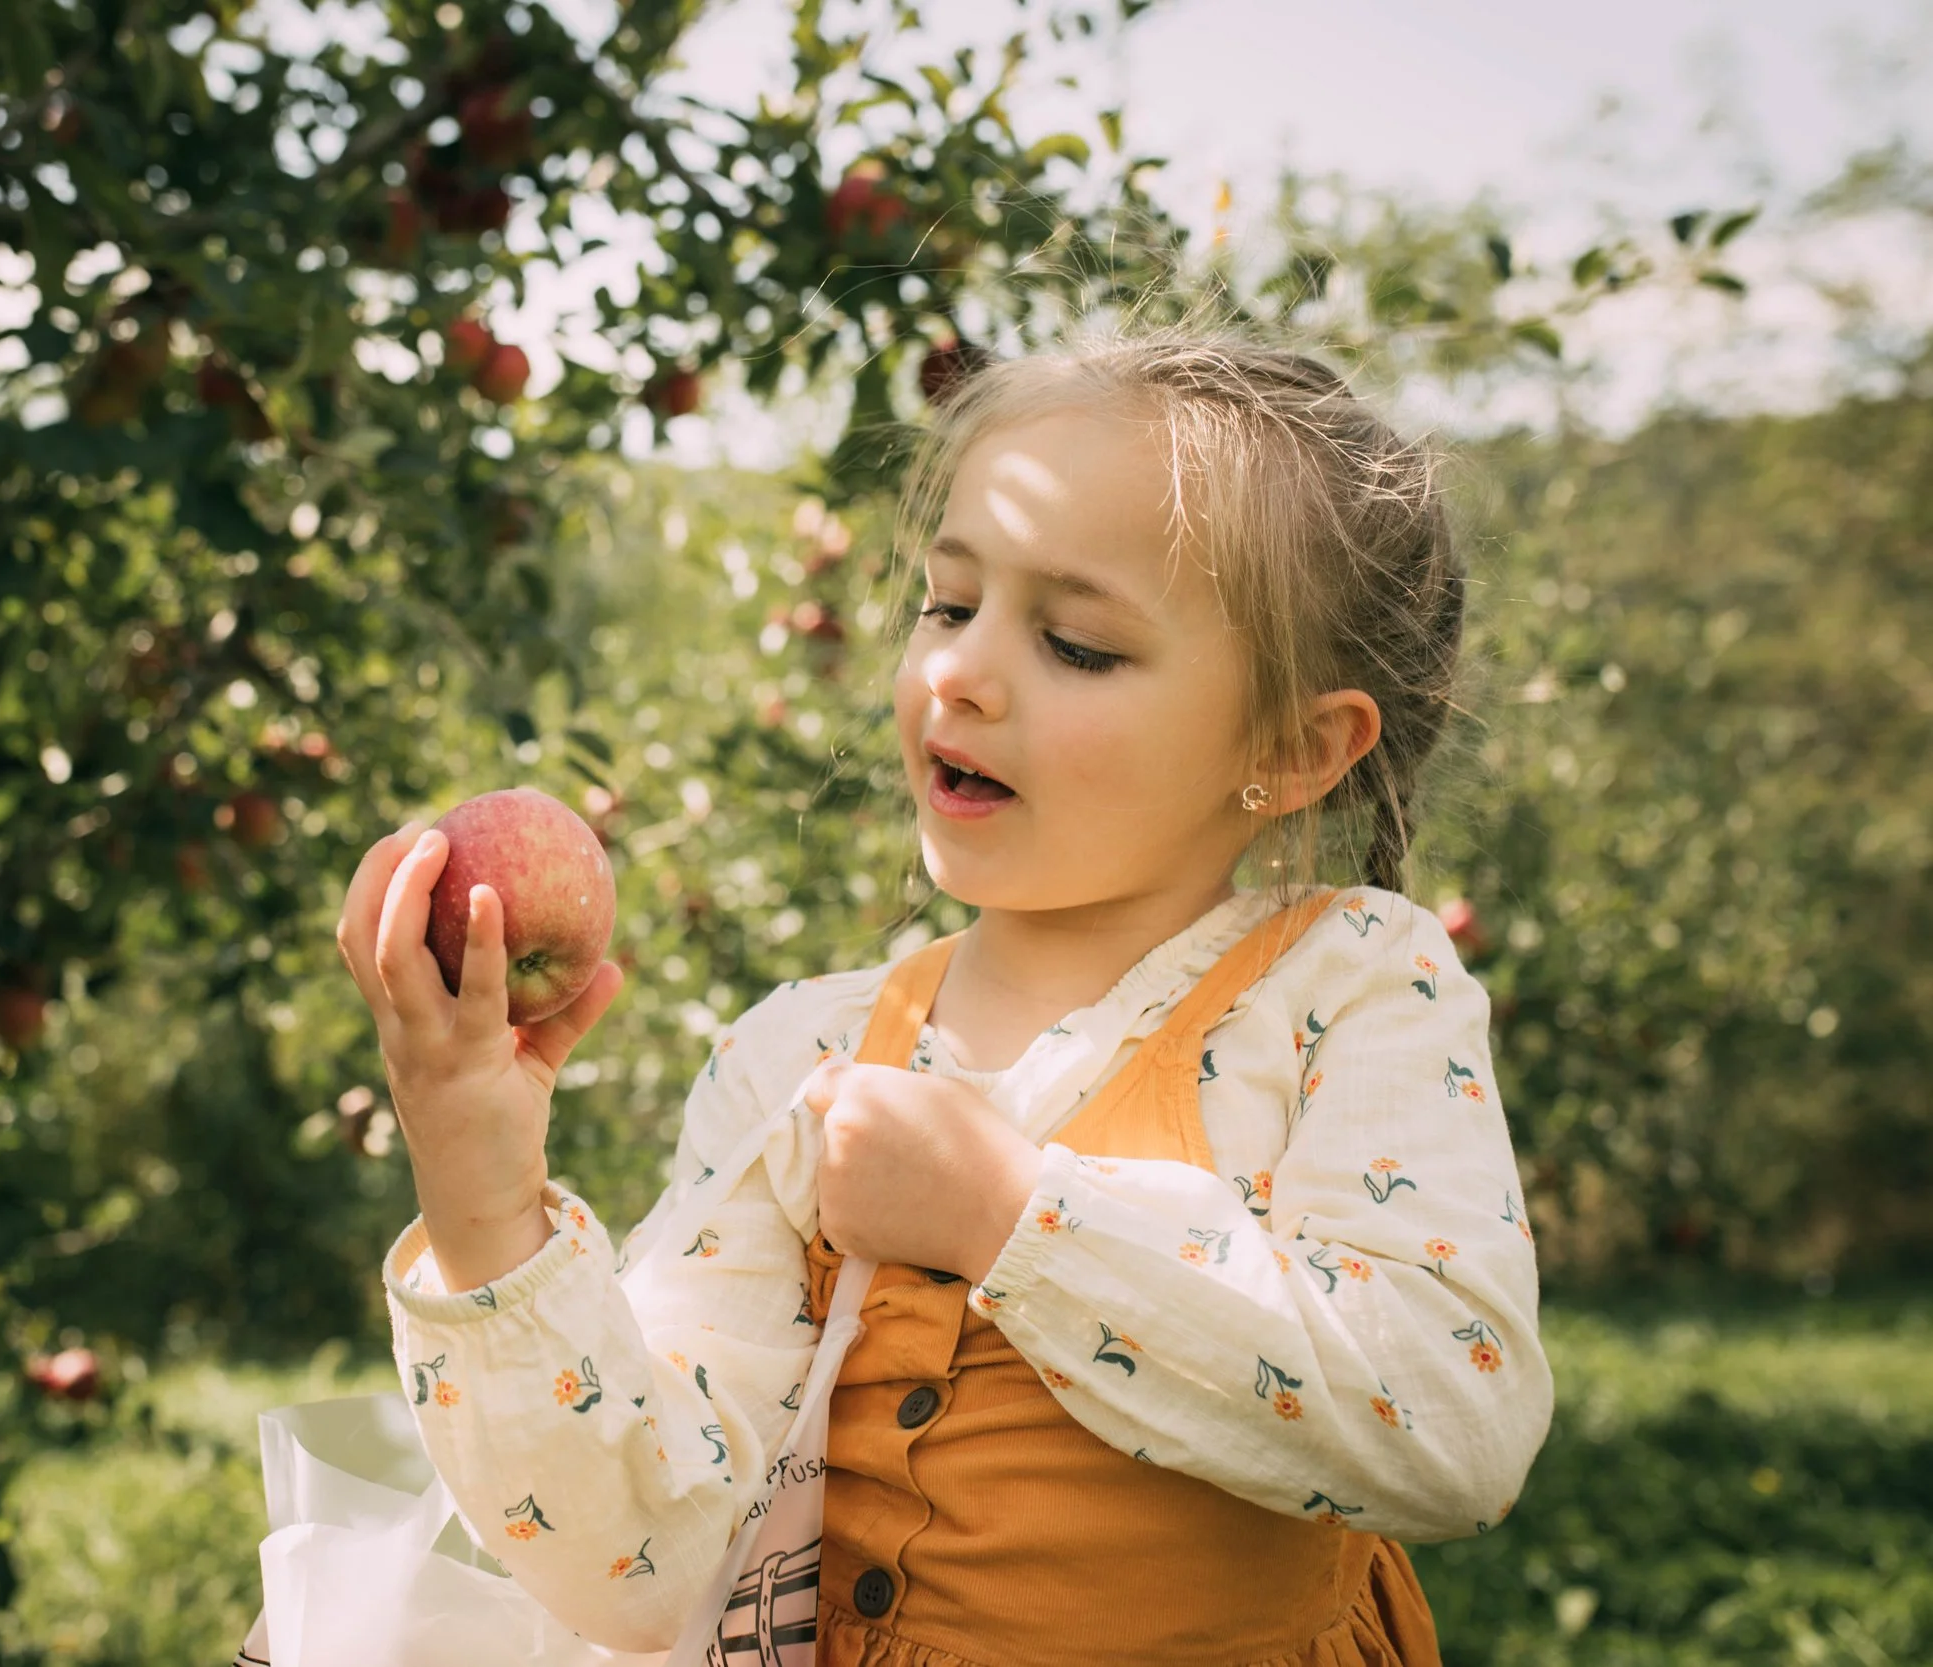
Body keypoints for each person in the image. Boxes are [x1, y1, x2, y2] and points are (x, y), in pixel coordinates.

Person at [334, 330, 1553, 1666]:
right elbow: (638, 1565)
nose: (959, 674)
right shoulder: (802, 1053)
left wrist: (1013, 1214)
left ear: (1290, 746)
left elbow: (1456, 1422)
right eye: (948, 602)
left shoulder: (1352, 992)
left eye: (1077, 643)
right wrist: (481, 1190)